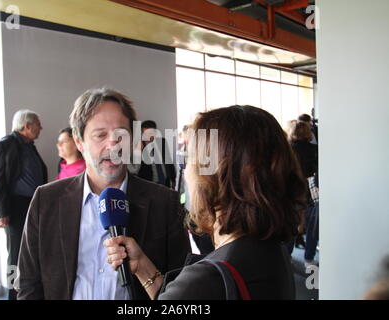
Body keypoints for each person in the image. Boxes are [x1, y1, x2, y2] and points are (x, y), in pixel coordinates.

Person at [105, 105, 307, 300]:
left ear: (216, 177)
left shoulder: (206, 281)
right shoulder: (272, 252)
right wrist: (142, 265)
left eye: (191, 159)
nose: (187, 170)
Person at [15, 88, 190, 300]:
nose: (113, 144)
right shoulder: (46, 200)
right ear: (79, 142)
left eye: (121, 134)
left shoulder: (165, 203)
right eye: (100, 135)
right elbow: (28, 285)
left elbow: (182, 290)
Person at [0, 109, 47, 300]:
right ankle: (13, 295)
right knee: (15, 255)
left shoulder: (29, 145)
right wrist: (2, 211)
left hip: (32, 205)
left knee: (33, 250)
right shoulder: (6, 144)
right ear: (27, 126)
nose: (41, 127)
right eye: (38, 123)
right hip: (15, 207)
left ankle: (31, 291)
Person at [288, 120, 319, 266]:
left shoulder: (288, 149)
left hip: (292, 189)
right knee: (312, 225)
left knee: (291, 223)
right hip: (311, 189)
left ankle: (288, 256)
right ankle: (309, 257)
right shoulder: (314, 149)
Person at [137, 120, 176, 189]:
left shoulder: (162, 142)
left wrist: (173, 179)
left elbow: (169, 161)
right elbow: (136, 168)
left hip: (165, 182)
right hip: (149, 183)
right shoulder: (140, 145)